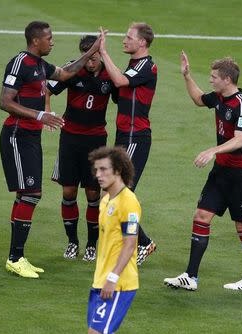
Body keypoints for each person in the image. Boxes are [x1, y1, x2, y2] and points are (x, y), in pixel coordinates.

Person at [0, 21, 100, 278]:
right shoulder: (20, 62)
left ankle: (17, 256)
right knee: (30, 193)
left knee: (28, 194)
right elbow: (5, 102)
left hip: (30, 138)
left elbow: (66, 74)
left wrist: (90, 53)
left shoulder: (40, 66)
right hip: (16, 135)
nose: (52, 41)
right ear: (36, 41)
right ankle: (15, 257)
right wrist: (39, 115)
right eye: (49, 38)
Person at [164, 51, 242, 291]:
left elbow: (240, 140)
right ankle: (191, 276)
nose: (211, 80)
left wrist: (212, 151)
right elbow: (199, 99)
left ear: (227, 79)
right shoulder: (219, 97)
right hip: (221, 173)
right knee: (201, 216)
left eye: (214, 77)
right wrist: (187, 76)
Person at [47, 35, 117, 262]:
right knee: (68, 191)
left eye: (95, 58)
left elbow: (123, 97)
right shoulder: (72, 69)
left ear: (101, 56)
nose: (90, 63)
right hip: (70, 139)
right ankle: (72, 242)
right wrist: (47, 112)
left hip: (96, 142)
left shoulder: (110, 74)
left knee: (93, 193)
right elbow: (48, 89)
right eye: (87, 58)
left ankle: (91, 245)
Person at [98, 23, 157, 265]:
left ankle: (142, 243)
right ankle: (137, 243)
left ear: (142, 42)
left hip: (136, 137)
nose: (124, 40)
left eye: (129, 37)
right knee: (114, 193)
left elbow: (121, 82)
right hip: (124, 135)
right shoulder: (134, 64)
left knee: (120, 193)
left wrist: (103, 52)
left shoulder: (146, 66)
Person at [87, 146, 141, 334]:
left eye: (103, 169)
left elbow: (130, 243)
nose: (98, 175)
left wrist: (113, 277)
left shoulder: (129, 202)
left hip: (119, 283)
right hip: (101, 280)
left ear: (117, 170)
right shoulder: (105, 201)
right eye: (96, 170)